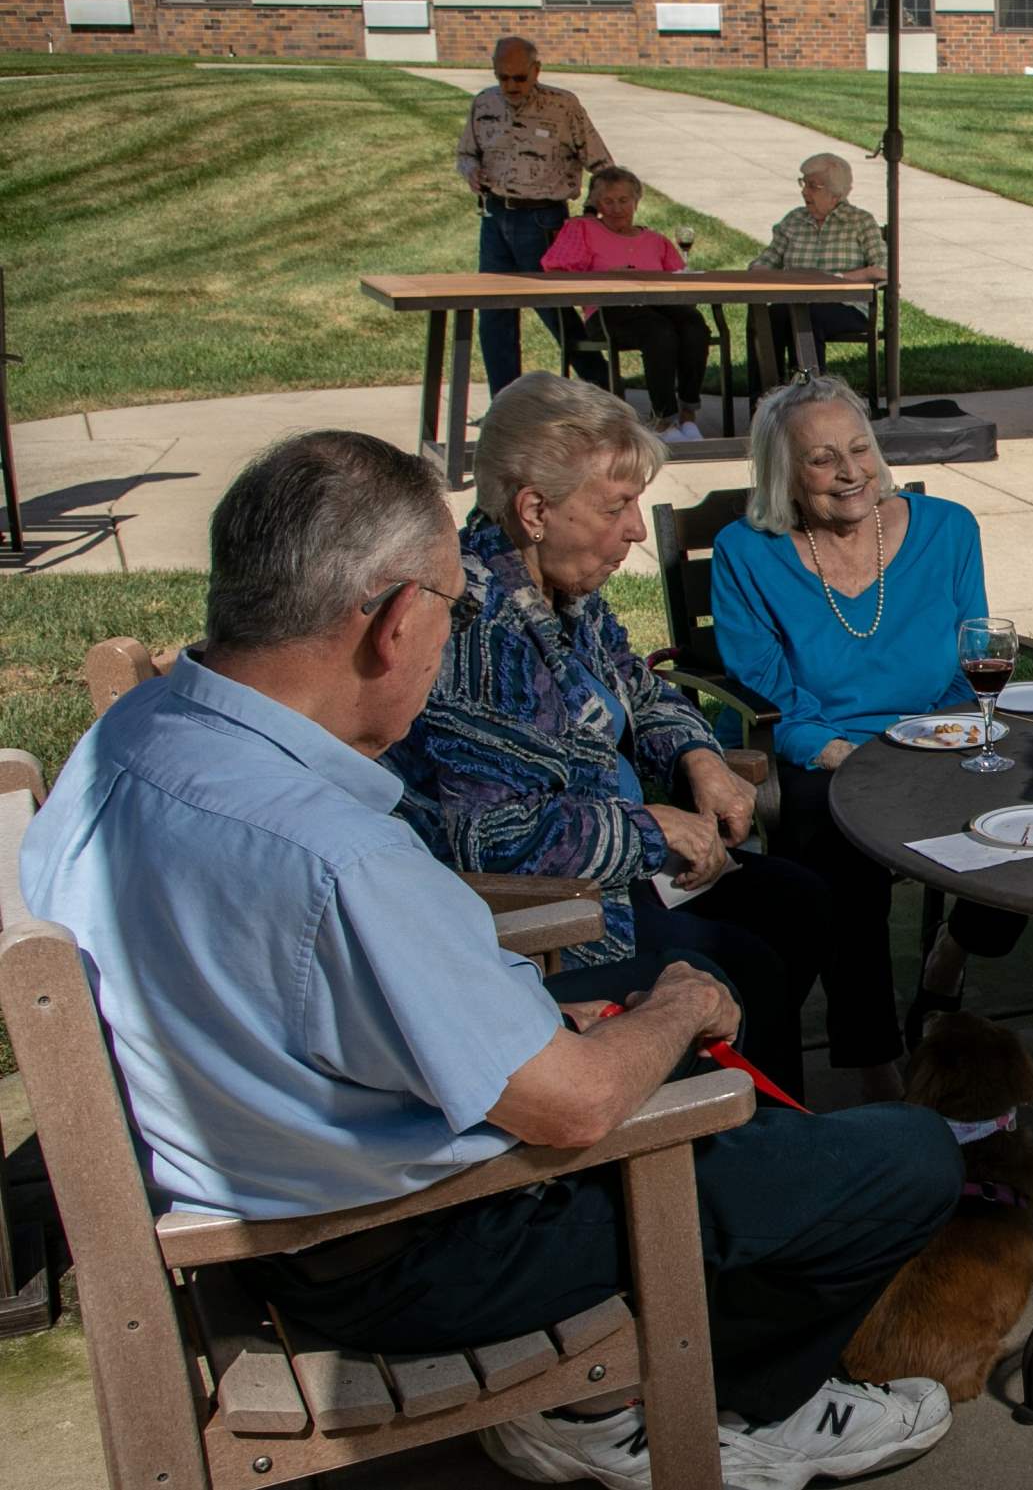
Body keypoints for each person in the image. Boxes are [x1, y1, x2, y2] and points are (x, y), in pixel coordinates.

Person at [21, 429, 961, 1490]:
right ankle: (695, 1409)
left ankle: (646, 1376)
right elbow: (571, 1109)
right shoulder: (334, 852)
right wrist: (677, 1006)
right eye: (446, 606)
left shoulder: (133, 741)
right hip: (402, 1247)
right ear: (391, 622)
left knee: (750, 1081)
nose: (451, 630)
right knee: (905, 1158)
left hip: (264, 1185)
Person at [382, 372, 908, 1104]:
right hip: (553, 918)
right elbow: (492, 837)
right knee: (742, 960)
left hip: (626, 871)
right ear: (534, 510)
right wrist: (652, 827)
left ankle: (752, 1101)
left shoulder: (560, 592)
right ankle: (731, 1129)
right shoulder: (482, 632)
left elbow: (641, 685)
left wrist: (696, 756)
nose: (635, 527)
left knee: (802, 899)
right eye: (616, 505)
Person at [709, 375, 1028, 1047]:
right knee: (839, 843)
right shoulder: (746, 552)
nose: (852, 472)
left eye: (861, 449)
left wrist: (948, 737)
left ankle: (954, 951)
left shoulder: (948, 528)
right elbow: (769, 692)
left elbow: (971, 657)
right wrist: (841, 756)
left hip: (940, 731)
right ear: (783, 474)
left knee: (1024, 800)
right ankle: (872, 1059)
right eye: (823, 459)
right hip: (821, 748)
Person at [456, 35, 613, 397]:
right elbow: (466, 153)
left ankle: (604, 388)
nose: (511, 86)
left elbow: (602, 164)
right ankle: (504, 401)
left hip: (543, 221)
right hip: (495, 217)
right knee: (494, 313)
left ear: (536, 70)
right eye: (503, 77)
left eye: (519, 78)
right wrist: (470, 172)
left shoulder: (562, 106)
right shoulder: (483, 103)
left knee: (554, 311)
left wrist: (592, 213)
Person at [542, 165, 710, 441]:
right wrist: (606, 277)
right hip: (609, 312)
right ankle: (663, 421)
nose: (617, 208)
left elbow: (680, 280)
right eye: (608, 201)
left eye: (623, 200)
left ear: (636, 201)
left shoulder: (655, 240)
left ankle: (688, 414)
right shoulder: (582, 228)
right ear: (597, 203)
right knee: (658, 332)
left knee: (694, 327)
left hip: (657, 306)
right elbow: (557, 269)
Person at [749, 152, 887, 379]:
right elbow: (766, 260)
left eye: (813, 186)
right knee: (764, 317)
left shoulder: (860, 222)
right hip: (794, 302)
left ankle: (808, 395)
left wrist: (839, 278)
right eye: (804, 183)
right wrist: (759, 272)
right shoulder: (794, 220)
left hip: (845, 306)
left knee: (806, 317)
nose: (804, 191)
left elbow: (883, 269)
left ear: (836, 194)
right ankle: (764, 400)